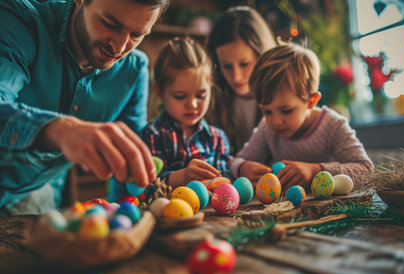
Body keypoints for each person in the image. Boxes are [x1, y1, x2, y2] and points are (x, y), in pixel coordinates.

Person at [0, 0, 170, 216]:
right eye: (110, 23)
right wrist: (60, 130)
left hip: (38, 193)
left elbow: (132, 165)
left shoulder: (134, 71)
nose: (119, 48)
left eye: (136, 35)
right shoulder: (20, 21)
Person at [230, 43, 373, 189]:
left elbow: (367, 171)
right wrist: (243, 167)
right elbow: (238, 160)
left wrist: (316, 170)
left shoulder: (333, 125)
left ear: (312, 101)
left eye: (286, 111)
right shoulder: (267, 128)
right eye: (267, 111)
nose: (275, 121)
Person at [109, 37, 233, 199]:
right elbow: (144, 189)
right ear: (160, 92)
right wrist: (184, 177)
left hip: (213, 218)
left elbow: (228, 183)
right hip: (169, 216)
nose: (193, 105)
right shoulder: (152, 135)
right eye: (180, 96)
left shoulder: (217, 138)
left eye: (201, 95)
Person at [206, 6, 278, 155]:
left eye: (244, 64)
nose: (236, 76)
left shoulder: (281, 96)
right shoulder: (210, 97)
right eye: (226, 66)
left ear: (263, 56)